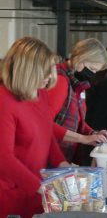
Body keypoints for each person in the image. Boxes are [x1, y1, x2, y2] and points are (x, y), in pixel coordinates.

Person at [0, 37, 69, 218]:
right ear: (28, 71)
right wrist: (42, 187)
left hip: (36, 192)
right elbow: (4, 158)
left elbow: (47, 136)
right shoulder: (4, 101)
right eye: (45, 72)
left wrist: (63, 164)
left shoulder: (40, 94)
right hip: (10, 196)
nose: (50, 77)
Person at [47, 38, 107, 164]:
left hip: (63, 155)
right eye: (92, 69)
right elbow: (45, 123)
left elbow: (76, 120)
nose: (92, 74)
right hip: (51, 157)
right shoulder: (61, 81)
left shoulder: (77, 83)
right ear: (82, 58)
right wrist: (84, 138)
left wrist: (94, 133)